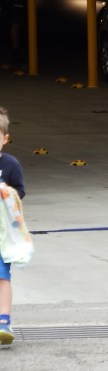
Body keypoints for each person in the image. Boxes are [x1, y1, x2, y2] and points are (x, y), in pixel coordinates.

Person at [0, 107, 25, 346]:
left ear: (5, 139)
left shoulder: (10, 165)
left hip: (2, 235)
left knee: (2, 278)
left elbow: (20, 192)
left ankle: (3, 322)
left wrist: (7, 193)